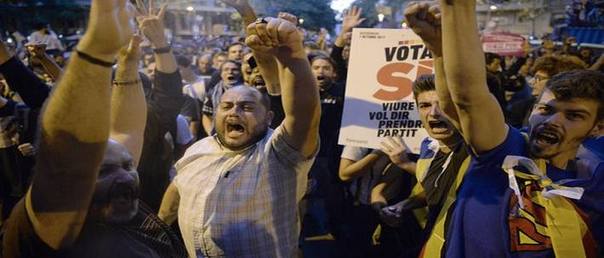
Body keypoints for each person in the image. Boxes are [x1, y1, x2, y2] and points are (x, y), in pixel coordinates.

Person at [407, 1, 604, 257]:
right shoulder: (504, 151)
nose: (553, 121)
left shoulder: (596, 179)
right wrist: (450, 25)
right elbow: (465, 99)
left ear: (597, 128)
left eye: (574, 116)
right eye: (545, 110)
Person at [2, 1, 186, 257]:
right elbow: (63, 143)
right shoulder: (53, 226)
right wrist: (96, 50)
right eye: (104, 171)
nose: (124, 176)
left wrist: (127, 60)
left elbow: (127, 130)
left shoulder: (120, 209)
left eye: (128, 166)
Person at [158, 17, 321, 257]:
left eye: (246, 107)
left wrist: (292, 56)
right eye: (227, 106)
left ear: (268, 118)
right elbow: (177, 188)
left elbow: (303, 114)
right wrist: (160, 225)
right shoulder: (197, 150)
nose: (234, 111)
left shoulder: (279, 154)